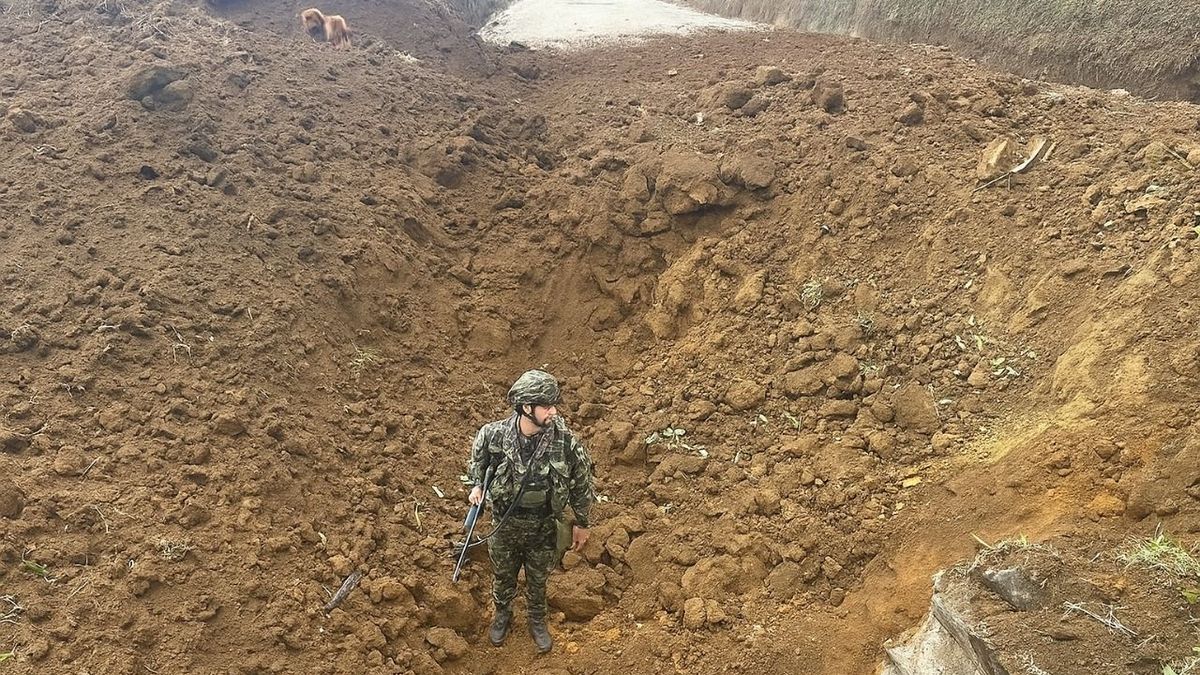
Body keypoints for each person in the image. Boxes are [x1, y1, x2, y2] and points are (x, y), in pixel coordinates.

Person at [466, 369, 596, 654]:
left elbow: (582, 482)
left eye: (553, 405)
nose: (553, 411)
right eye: (547, 406)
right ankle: (503, 614)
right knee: (503, 575)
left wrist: (582, 522)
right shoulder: (493, 435)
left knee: (538, 578)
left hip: (543, 526)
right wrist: (477, 486)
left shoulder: (565, 441)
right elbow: (478, 463)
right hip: (505, 524)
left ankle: (537, 619)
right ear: (527, 408)